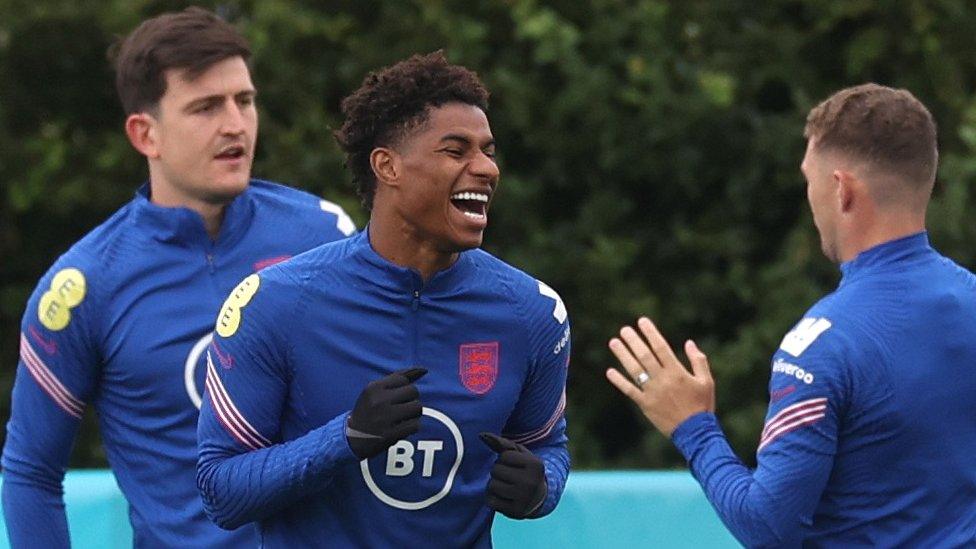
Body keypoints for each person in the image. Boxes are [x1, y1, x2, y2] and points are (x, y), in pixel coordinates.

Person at [1, 7, 355, 548]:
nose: (235, 124)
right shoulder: (84, 286)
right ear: (146, 134)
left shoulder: (326, 235)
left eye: (245, 100)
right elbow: (31, 472)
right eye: (205, 107)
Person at [196, 51, 571, 547]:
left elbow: (548, 445)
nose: (485, 169)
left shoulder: (532, 313)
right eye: (456, 151)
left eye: (488, 150)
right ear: (387, 165)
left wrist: (540, 487)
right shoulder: (276, 305)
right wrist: (346, 438)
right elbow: (220, 491)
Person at [606, 83, 976, 547]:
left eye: (810, 180)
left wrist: (693, 426)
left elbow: (766, 525)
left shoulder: (823, 345)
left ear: (841, 189)